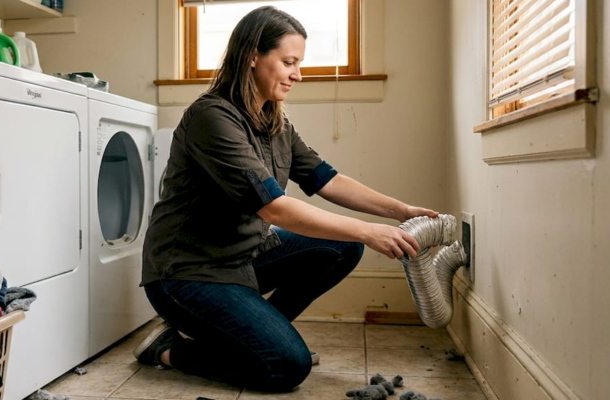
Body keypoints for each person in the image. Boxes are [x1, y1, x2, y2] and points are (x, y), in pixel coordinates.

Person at [134, 5, 437, 392]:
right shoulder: (213, 118)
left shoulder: (275, 121)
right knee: (287, 368)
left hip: (243, 258)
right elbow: (276, 208)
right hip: (189, 273)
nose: (298, 74)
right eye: (289, 61)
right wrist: (366, 230)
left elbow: (327, 179)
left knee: (342, 247)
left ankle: (247, 342)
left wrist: (402, 211)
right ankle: (170, 350)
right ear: (252, 57)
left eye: (300, 63)